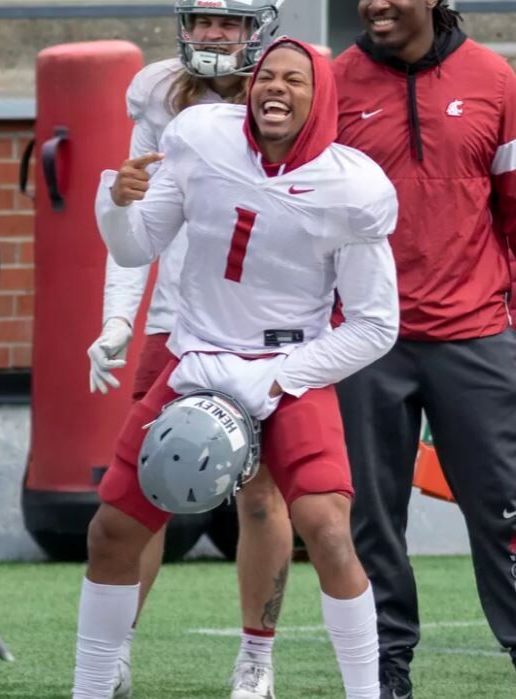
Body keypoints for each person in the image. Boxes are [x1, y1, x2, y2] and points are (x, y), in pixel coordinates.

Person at [73, 38, 400, 699]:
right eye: (267, 78)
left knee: (327, 530)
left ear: (322, 99)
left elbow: (375, 323)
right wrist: (116, 202)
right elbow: (136, 245)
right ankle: (92, 686)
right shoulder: (199, 136)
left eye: (294, 81)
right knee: (111, 527)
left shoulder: (353, 187)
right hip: (195, 357)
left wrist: (282, 376)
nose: (275, 89)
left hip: (286, 366)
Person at [84, 2, 294, 696]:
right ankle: (114, 648)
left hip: (264, 325)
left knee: (261, 500)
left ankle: (256, 658)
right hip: (177, 322)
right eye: (202, 21)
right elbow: (135, 209)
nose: (211, 35)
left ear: (255, 31)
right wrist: (120, 319)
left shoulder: (288, 92)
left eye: (228, 24)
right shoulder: (159, 93)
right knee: (144, 489)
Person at [334, 2, 516, 695]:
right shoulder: (334, 85)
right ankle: (385, 669)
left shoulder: (495, 81)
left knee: (504, 504)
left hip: (474, 334)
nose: (374, 4)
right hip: (363, 340)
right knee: (370, 515)